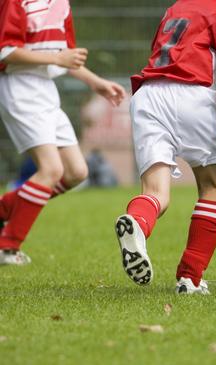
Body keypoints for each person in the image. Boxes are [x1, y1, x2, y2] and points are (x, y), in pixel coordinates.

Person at [114, 0, 216, 294]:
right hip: (191, 93)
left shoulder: (175, 9)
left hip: (148, 95)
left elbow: (176, 60)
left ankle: (137, 223)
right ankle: (190, 278)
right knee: (212, 186)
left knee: (154, 193)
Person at [0, 0, 125, 265]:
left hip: (46, 89)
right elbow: (6, 52)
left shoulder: (61, 4)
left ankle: (4, 210)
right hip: (19, 87)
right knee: (51, 170)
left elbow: (66, 56)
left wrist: (96, 82)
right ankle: (6, 246)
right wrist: (57, 58)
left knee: (76, 172)